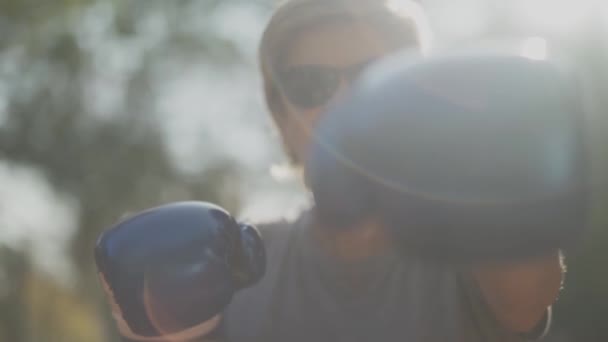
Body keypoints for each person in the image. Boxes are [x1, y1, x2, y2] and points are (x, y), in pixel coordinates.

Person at [97, 0, 566, 341]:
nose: (343, 100)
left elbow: (528, 293)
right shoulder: (234, 264)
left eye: (374, 76)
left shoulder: (471, 239)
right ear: (282, 120)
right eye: (310, 84)